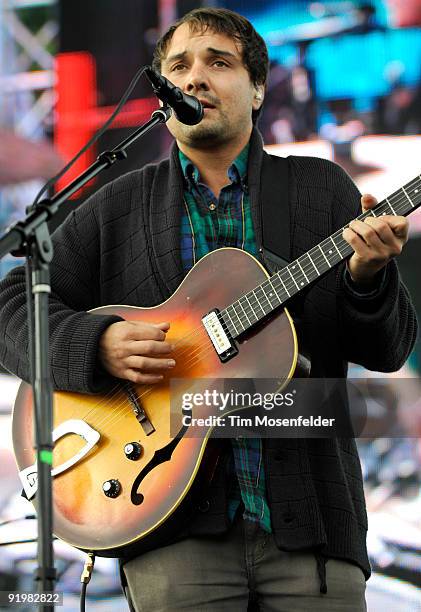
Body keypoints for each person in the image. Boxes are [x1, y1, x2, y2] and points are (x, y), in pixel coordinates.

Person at [0, 8, 417, 612]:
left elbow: (389, 349)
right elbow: (12, 306)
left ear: (257, 88)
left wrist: (368, 279)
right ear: (164, 96)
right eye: (178, 66)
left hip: (312, 529)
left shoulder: (322, 190)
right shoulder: (115, 206)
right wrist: (97, 345)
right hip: (172, 533)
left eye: (218, 62)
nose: (195, 77)